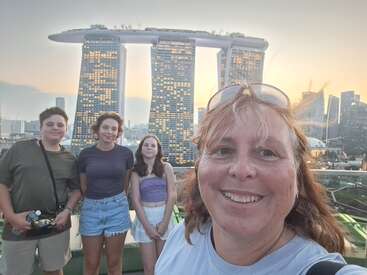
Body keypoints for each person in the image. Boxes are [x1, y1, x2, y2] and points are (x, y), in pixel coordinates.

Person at [155, 83, 367, 274]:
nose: (241, 169)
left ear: (297, 176)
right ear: (200, 165)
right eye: (222, 150)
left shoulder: (316, 270)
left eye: (267, 152)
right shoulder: (182, 236)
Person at [0, 107, 81, 275]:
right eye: (49, 124)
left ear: (66, 129)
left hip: (55, 224)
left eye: (60, 124)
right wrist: (11, 216)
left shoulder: (70, 158)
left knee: (54, 270)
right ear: (40, 127)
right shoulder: (19, 149)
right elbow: (2, 183)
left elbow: (76, 189)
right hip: (19, 226)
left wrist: (67, 211)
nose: (55, 127)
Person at [78, 112, 133, 275]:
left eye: (114, 129)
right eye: (106, 127)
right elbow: (83, 185)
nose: (109, 132)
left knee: (114, 262)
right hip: (91, 210)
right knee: (91, 263)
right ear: (97, 130)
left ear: (118, 132)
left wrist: (115, 198)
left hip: (117, 208)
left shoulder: (126, 154)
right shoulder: (85, 154)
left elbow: (126, 183)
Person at [130, 134, 176, 275]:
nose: (149, 147)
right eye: (146, 145)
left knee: (164, 265)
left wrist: (164, 223)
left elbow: (172, 194)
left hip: (165, 215)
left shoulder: (166, 167)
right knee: (150, 267)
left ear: (158, 150)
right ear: (141, 148)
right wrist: (148, 227)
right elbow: (135, 200)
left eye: (153, 145)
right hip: (145, 217)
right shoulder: (136, 172)